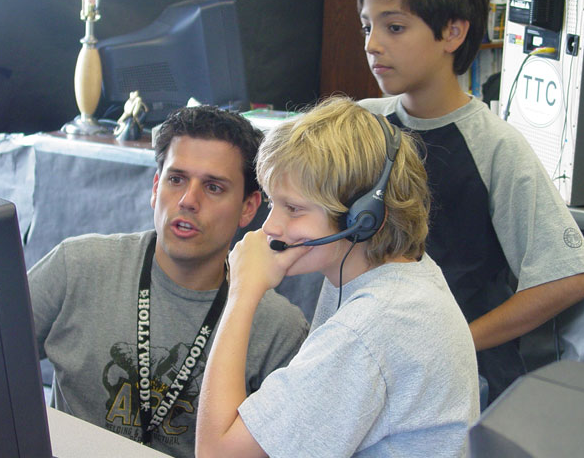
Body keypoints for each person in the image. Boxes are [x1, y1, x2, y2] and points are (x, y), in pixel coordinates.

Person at [355, 0, 584, 402]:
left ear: (453, 32)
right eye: (366, 27)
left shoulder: (495, 147)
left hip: (463, 380)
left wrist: (457, 341)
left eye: (394, 27)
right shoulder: (362, 125)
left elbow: (569, 279)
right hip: (375, 363)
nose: (372, 44)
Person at [196, 97, 479, 458]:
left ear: (363, 218)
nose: (271, 227)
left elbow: (216, 453)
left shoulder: (372, 327)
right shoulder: (394, 275)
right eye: (272, 203)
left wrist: (242, 293)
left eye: (293, 209)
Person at [28, 105, 309, 457]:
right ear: (155, 187)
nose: (188, 201)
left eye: (213, 187)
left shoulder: (279, 329)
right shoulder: (77, 267)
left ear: (248, 208)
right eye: (176, 180)